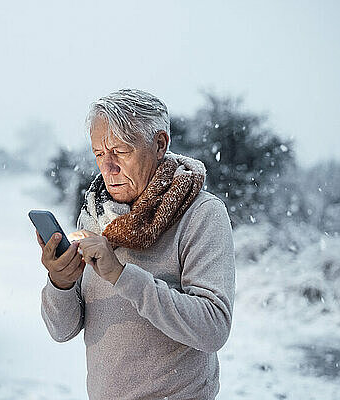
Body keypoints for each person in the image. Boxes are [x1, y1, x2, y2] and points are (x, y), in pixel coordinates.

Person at [36, 89, 236, 400]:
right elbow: (62, 330)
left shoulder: (201, 214)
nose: (108, 168)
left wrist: (121, 275)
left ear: (160, 144)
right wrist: (60, 284)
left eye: (121, 151)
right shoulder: (94, 214)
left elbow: (213, 327)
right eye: (100, 154)